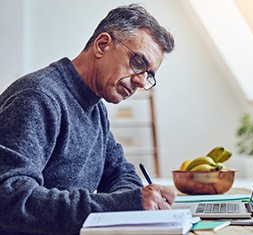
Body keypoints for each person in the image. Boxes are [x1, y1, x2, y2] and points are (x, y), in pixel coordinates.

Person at [0, 4, 176, 235]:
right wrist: (121, 205)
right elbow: (9, 197)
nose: (142, 82)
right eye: (138, 63)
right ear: (103, 45)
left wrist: (131, 204)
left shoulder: (95, 108)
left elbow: (120, 174)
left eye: (149, 74)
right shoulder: (38, 97)